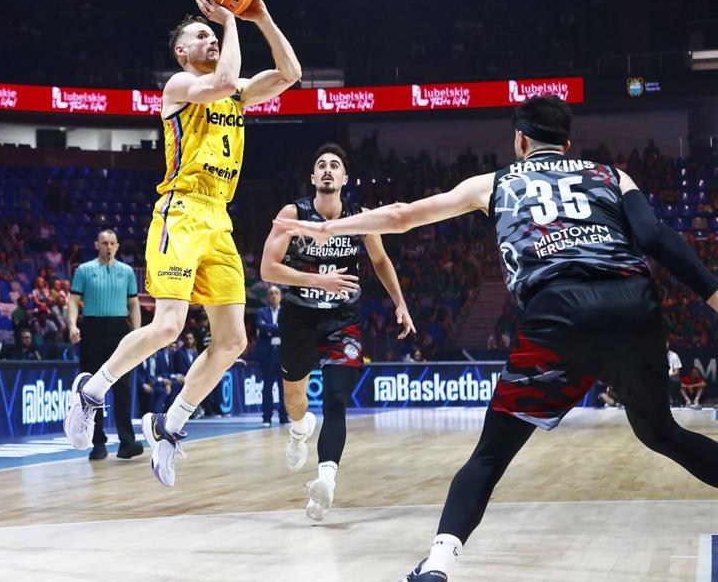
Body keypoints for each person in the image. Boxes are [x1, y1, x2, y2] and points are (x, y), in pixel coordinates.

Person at [275, 95, 718, 581]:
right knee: (661, 432)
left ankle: (437, 564)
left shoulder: (496, 181)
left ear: (520, 140)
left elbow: (401, 216)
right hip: (634, 305)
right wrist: (713, 296)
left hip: (559, 313)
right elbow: (656, 238)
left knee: (490, 454)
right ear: (568, 145)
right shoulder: (612, 176)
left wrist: (331, 226)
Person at [64, 0, 301, 486]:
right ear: (181, 51)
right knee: (169, 324)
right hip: (181, 211)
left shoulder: (237, 91)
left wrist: (260, 14)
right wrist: (232, 23)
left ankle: (168, 427)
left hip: (220, 219)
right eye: (201, 34)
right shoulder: (178, 86)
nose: (210, 38)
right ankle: (92, 390)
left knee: (233, 339)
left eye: (213, 33)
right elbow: (217, 82)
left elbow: (290, 74)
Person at [261, 142, 414, 521]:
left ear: (345, 178)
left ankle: (326, 478)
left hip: (342, 319)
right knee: (295, 401)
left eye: (335, 166)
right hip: (299, 316)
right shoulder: (294, 213)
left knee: (336, 400)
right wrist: (313, 279)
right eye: (321, 165)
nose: (328, 170)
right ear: (314, 178)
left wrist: (400, 302)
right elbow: (267, 269)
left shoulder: (360, 217)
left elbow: (380, 259)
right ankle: (299, 430)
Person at [67, 229, 143, 461]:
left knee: (123, 389)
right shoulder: (84, 270)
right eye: (104, 243)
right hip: (92, 330)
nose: (108, 247)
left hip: (120, 331)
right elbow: (73, 300)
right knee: (92, 389)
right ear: (96, 245)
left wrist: (138, 333)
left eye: (112, 243)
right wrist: (72, 325)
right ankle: (97, 443)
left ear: (117, 246)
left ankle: (127, 443)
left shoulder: (127, 272)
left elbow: (134, 303)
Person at [253, 286, 288, 426]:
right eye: (271, 293)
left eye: (276, 293)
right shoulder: (261, 312)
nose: (273, 295)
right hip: (267, 354)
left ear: (281, 296)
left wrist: (270, 328)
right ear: (267, 297)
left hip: (282, 353)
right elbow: (260, 326)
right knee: (267, 386)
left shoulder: (286, 312)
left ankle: (284, 417)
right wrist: (279, 328)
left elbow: (288, 328)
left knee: (283, 387)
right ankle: (266, 417)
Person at [667, 341, 683, 406]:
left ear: (668, 344)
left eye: (666, 343)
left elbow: (677, 371)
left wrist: (669, 375)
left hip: (670, 376)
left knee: (676, 380)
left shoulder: (674, 355)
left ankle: (675, 400)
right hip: (658, 375)